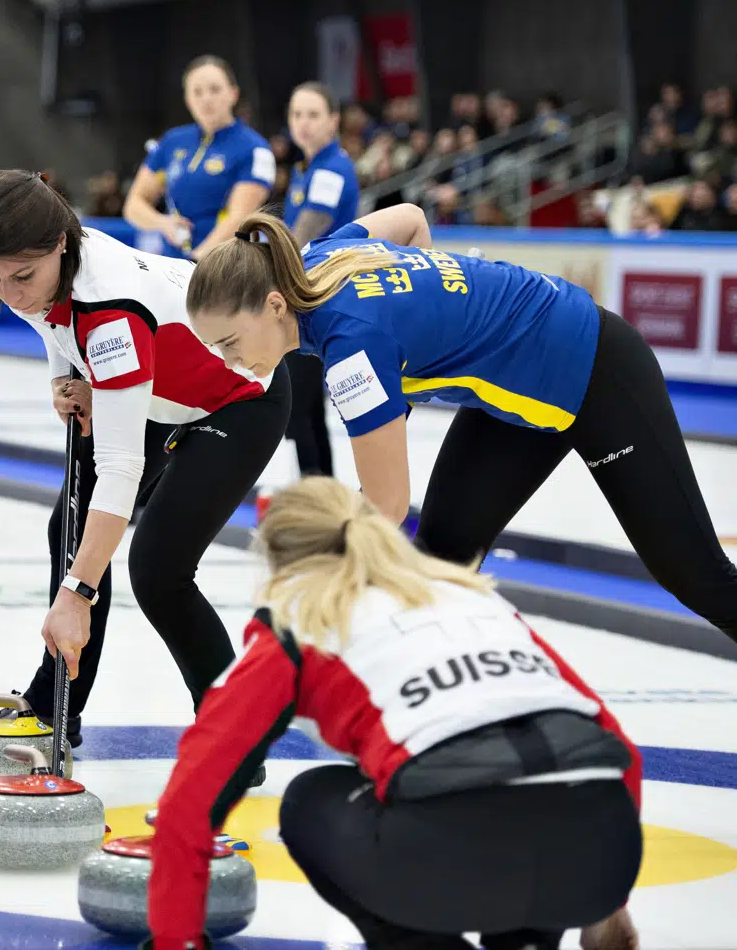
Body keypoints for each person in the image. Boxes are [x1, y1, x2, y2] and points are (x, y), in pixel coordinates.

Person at [184, 205, 737, 642]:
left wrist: (307, 581)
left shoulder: (352, 346)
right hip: (522, 383)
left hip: (598, 371)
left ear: (276, 306)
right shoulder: (320, 256)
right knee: (442, 554)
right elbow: (411, 217)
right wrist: (431, 314)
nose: (229, 361)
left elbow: (385, 506)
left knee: (696, 576)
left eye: (230, 343)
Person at [145, 477, 643, 950]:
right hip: (600, 860)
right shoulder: (471, 596)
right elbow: (621, 751)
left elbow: (191, 803)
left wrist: (176, 940)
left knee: (308, 801)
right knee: (525, 797)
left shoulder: (298, 621)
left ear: (278, 563)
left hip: (455, 860)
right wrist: (610, 902)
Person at [0, 169, 292, 746]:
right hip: (159, 386)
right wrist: (62, 379)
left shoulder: (111, 313)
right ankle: (55, 706)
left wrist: (75, 598)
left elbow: (119, 471)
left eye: (21, 276)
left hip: (240, 396)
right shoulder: (35, 269)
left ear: (60, 246)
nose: (10, 294)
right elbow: (50, 326)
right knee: (70, 527)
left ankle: (237, 732)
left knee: (158, 571)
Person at [123, 55, 274, 262]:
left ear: (233, 93)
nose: (206, 99)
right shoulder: (172, 142)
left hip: (227, 266)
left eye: (215, 89)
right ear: (187, 99)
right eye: (197, 91)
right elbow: (133, 205)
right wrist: (162, 222)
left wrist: (197, 261)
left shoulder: (255, 149)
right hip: (174, 265)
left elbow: (239, 216)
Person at [282, 82, 357, 479]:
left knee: (302, 408)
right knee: (306, 411)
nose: (304, 124)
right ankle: (319, 493)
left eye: (313, 115)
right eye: (297, 115)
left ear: (333, 120)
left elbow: (307, 231)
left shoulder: (331, 169)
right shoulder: (307, 168)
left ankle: (318, 496)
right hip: (307, 296)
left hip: (320, 299)